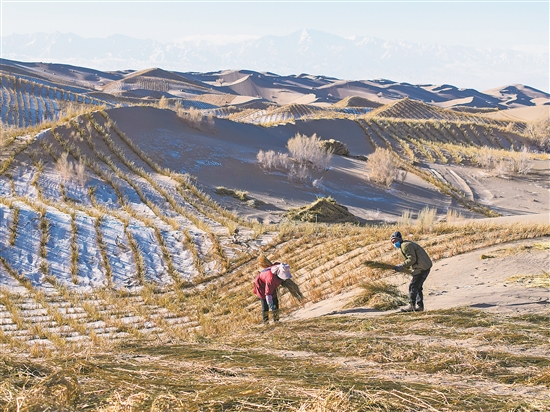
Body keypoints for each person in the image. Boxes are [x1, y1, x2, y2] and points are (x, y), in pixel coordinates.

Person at [391, 231, 432, 312]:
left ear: (400, 239)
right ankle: (420, 306)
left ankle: (411, 305)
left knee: (413, 287)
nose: (394, 243)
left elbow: (412, 259)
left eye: (395, 241)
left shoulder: (406, 245)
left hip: (422, 268)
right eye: (393, 242)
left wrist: (402, 265)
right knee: (418, 287)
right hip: (424, 267)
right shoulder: (404, 245)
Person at [253, 255, 292, 323]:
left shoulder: (279, 267)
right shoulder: (271, 279)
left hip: (269, 284)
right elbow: (268, 294)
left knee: (275, 302)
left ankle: (276, 320)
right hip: (261, 285)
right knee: (265, 304)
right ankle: (265, 322)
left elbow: (277, 263)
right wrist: (270, 304)